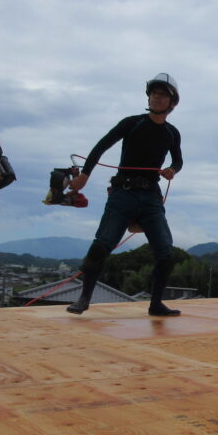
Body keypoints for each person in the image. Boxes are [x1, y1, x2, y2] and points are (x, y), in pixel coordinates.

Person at [66, 73, 184, 317]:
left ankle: (156, 304)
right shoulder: (131, 123)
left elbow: (178, 160)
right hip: (123, 193)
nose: (157, 97)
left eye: (163, 95)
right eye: (154, 93)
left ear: (172, 103)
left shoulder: (172, 133)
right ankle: (84, 298)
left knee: (166, 254)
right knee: (101, 246)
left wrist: (172, 170)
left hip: (151, 196)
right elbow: (101, 146)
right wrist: (85, 176)